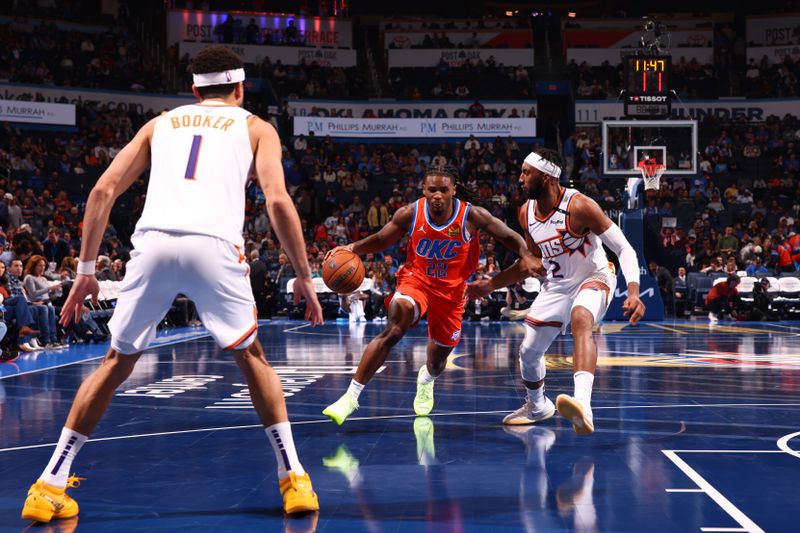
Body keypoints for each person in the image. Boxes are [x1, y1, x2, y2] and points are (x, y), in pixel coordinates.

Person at [21, 45, 322, 524]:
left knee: (116, 362)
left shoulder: (160, 122)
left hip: (154, 243)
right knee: (252, 357)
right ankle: (295, 478)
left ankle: (49, 484)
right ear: (240, 89)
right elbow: (279, 202)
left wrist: (85, 271)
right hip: (214, 246)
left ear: (194, 90)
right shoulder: (255, 127)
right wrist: (305, 276)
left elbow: (101, 191)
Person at [322, 164, 541, 425]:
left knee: (437, 362)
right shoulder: (410, 213)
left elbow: (509, 236)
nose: (437, 195)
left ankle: (426, 378)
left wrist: (526, 253)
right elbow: (382, 239)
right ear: (423, 190)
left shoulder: (472, 216)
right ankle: (350, 397)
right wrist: (352, 247)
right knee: (395, 326)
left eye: (443, 190)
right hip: (416, 280)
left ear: (453, 191)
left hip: (452, 292)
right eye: (432, 190)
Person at [467, 149, 645, 435]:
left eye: (527, 172)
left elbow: (624, 248)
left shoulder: (580, 206)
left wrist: (633, 291)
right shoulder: (526, 212)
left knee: (581, 319)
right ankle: (538, 406)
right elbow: (530, 263)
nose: (520, 178)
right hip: (557, 285)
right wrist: (490, 284)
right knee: (528, 353)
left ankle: (583, 407)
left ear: (547, 176)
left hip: (595, 275)